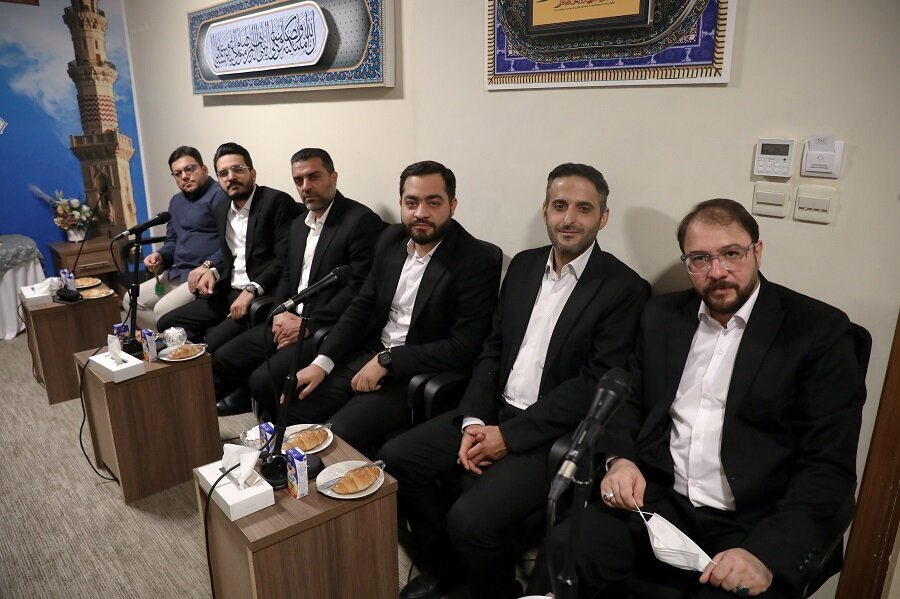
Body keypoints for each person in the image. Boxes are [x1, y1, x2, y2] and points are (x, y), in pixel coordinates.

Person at [529, 199, 866, 599]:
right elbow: (627, 401)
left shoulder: (817, 331)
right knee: (564, 549)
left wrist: (766, 555)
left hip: (752, 523)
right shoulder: (661, 316)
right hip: (659, 501)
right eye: (701, 259)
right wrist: (620, 460)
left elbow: (828, 468)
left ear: (757, 251)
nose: (717, 271)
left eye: (731, 254)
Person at [379, 163, 650, 599]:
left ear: (603, 217)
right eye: (559, 206)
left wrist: (508, 436)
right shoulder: (523, 265)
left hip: (550, 433)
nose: (568, 218)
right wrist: (473, 421)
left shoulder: (623, 288)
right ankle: (447, 570)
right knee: (397, 458)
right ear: (545, 210)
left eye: (583, 209)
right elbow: (493, 347)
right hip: (494, 412)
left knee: (469, 520)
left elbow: (594, 384)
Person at [278, 160, 502, 453]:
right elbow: (362, 306)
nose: (421, 213)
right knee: (293, 404)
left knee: (338, 437)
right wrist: (322, 363)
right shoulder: (391, 239)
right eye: (412, 202)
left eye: (433, 203)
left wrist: (389, 360)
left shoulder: (475, 260)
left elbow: (463, 347)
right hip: (370, 353)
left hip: (414, 372)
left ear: (452, 205)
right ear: (401, 204)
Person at [211, 148, 383, 416]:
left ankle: (284, 428)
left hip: (323, 326)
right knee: (224, 356)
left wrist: (308, 325)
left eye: (314, 177)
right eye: (298, 180)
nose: (306, 186)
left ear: (333, 177)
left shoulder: (360, 221)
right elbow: (287, 275)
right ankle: (258, 407)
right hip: (290, 317)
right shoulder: (298, 224)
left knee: (262, 379)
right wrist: (279, 312)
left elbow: (358, 289)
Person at [157, 142, 298, 353]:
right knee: (166, 323)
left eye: (237, 169)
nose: (230, 177)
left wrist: (251, 290)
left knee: (210, 347)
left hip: (260, 294)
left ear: (252, 173)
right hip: (228, 291)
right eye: (223, 173)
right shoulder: (223, 208)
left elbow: (284, 259)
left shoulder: (275, 202)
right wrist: (212, 271)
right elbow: (231, 255)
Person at [122, 146, 227, 330]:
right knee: (130, 299)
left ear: (204, 169)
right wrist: (160, 256)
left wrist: (208, 265)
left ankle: (173, 340)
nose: (184, 176)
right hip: (177, 272)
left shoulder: (220, 196)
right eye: (178, 173)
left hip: (203, 275)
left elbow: (230, 243)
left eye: (189, 169)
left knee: (162, 311)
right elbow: (171, 241)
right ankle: (170, 340)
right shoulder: (176, 201)